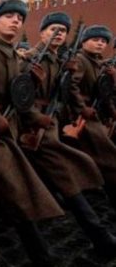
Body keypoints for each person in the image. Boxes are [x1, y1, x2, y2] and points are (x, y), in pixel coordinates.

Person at [0, 0, 65, 266]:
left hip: (6, 129)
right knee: (15, 188)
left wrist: (34, 111)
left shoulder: (14, 55)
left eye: (19, 17)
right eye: (9, 16)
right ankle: (42, 256)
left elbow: (17, 97)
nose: (16, 20)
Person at [21, 13, 116, 256]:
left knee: (38, 179)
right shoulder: (29, 58)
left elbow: (62, 92)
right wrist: (34, 115)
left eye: (63, 29)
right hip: (30, 128)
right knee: (59, 173)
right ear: (41, 32)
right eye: (53, 28)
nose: (59, 33)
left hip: (50, 124)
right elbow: (17, 95)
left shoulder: (59, 61)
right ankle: (99, 236)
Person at [66, 25, 116, 210]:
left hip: (92, 114)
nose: (100, 44)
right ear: (84, 42)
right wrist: (81, 108)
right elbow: (71, 86)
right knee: (109, 156)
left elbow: (104, 92)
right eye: (95, 40)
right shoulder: (80, 59)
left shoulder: (98, 63)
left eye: (103, 41)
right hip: (81, 116)